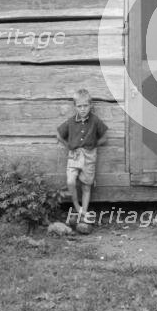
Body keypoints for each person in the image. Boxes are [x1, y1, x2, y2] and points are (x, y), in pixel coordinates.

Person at [56, 88, 107, 221]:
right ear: (75, 107)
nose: (83, 109)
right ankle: (77, 206)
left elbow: (105, 137)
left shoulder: (95, 121)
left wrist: (94, 146)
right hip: (75, 154)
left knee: (86, 185)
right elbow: (59, 135)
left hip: (90, 155)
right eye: (79, 106)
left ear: (91, 105)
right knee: (70, 181)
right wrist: (69, 146)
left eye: (85, 106)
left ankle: (84, 213)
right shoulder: (71, 122)